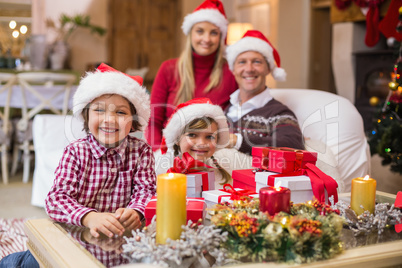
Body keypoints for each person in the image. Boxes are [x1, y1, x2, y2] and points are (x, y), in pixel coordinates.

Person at [0, 63, 157, 268]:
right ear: (86, 115)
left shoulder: (141, 151)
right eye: (99, 110)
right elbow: (56, 200)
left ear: (133, 121)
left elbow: (146, 191)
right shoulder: (76, 152)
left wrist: (136, 211)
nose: (109, 119)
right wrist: (89, 217)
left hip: (117, 246)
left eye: (120, 113)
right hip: (71, 240)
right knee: (27, 263)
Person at [145, 0, 238, 151]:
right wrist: (159, 155)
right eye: (200, 31)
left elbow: (237, 119)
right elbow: (153, 121)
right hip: (169, 152)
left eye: (214, 33)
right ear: (190, 34)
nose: (206, 39)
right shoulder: (169, 69)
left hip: (211, 154)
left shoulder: (231, 72)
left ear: (221, 37)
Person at [224, 30, 305, 154]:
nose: (249, 69)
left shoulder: (279, 113)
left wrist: (237, 140)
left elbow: (293, 145)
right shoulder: (227, 109)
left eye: (257, 62)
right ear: (233, 70)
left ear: (268, 69)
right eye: (242, 62)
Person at [156, 98, 232, 188]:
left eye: (209, 137)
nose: (201, 143)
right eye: (192, 135)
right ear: (177, 139)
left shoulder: (225, 174)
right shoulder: (159, 172)